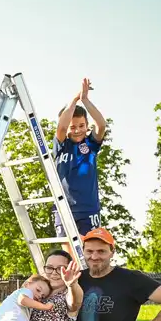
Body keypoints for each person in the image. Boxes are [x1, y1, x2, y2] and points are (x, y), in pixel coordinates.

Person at [53, 78, 107, 237]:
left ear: (87, 125)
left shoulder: (90, 144)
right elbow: (62, 127)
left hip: (88, 209)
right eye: (73, 127)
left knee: (88, 252)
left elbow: (102, 125)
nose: (77, 130)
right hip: (64, 209)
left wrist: (85, 100)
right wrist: (75, 99)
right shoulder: (61, 144)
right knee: (67, 254)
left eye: (81, 126)